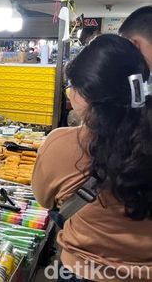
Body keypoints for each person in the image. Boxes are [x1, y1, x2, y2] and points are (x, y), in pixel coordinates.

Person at [32, 34, 152, 282]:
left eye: (71, 87)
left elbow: (45, 200)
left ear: (84, 94)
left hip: (82, 271)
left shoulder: (61, 144)